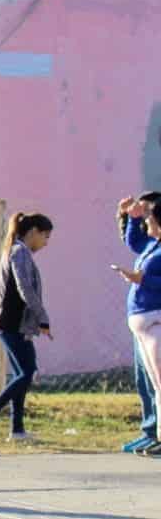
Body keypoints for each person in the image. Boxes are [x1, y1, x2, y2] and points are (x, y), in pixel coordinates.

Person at [0, 212, 54, 441]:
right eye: (45, 237)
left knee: (23, 373)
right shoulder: (19, 252)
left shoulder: (18, 251)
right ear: (33, 232)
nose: (46, 243)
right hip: (10, 323)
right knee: (27, 372)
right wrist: (43, 317)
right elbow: (25, 288)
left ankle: (17, 430)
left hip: (15, 324)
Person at [115, 192, 161, 458]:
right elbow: (134, 242)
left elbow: (151, 279)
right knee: (147, 381)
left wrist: (143, 281)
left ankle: (156, 432)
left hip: (155, 320)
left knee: (158, 382)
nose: (145, 221)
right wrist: (129, 219)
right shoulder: (152, 245)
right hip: (142, 323)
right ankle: (151, 431)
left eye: (147, 215)